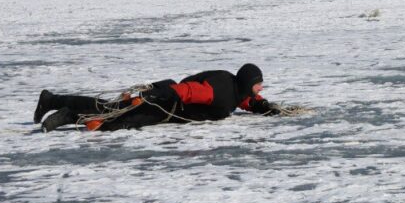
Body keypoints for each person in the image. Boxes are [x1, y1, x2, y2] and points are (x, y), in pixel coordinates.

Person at [35, 63, 280, 132]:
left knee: (114, 111)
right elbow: (187, 91)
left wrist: (262, 106)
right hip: (165, 103)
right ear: (249, 83)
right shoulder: (219, 91)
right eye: (259, 86)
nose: (261, 89)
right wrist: (150, 95)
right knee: (119, 116)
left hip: (168, 103)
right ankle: (68, 114)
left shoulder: (234, 89)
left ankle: (52, 100)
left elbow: (243, 100)